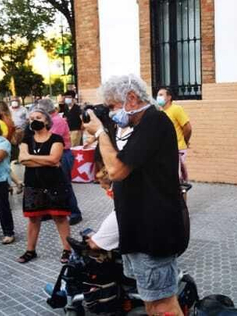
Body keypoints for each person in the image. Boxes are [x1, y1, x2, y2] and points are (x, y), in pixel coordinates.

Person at [88, 75, 191, 316]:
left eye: (113, 106)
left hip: (153, 232)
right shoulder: (135, 127)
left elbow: (116, 170)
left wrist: (100, 132)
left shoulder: (154, 122)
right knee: (150, 298)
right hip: (135, 228)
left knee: (163, 302)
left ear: (131, 98)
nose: (112, 113)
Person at [15, 110, 74, 264]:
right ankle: (30, 250)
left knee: (60, 217)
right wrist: (47, 161)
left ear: (47, 121)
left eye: (38, 118)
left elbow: (54, 158)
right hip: (33, 184)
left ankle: (67, 250)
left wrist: (31, 158)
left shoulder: (56, 138)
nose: (35, 120)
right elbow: (23, 160)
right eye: (32, 119)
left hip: (54, 183)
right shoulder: (26, 139)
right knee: (33, 218)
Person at [155, 88, 194, 190]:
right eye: (158, 95)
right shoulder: (159, 112)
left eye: (161, 94)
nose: (158, 97)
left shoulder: (176, 109)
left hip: (177, 150)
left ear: (169, 97)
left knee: (179, 182)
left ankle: (182, 205)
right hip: (165, 151)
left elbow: (188, 128)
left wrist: (184, 141)